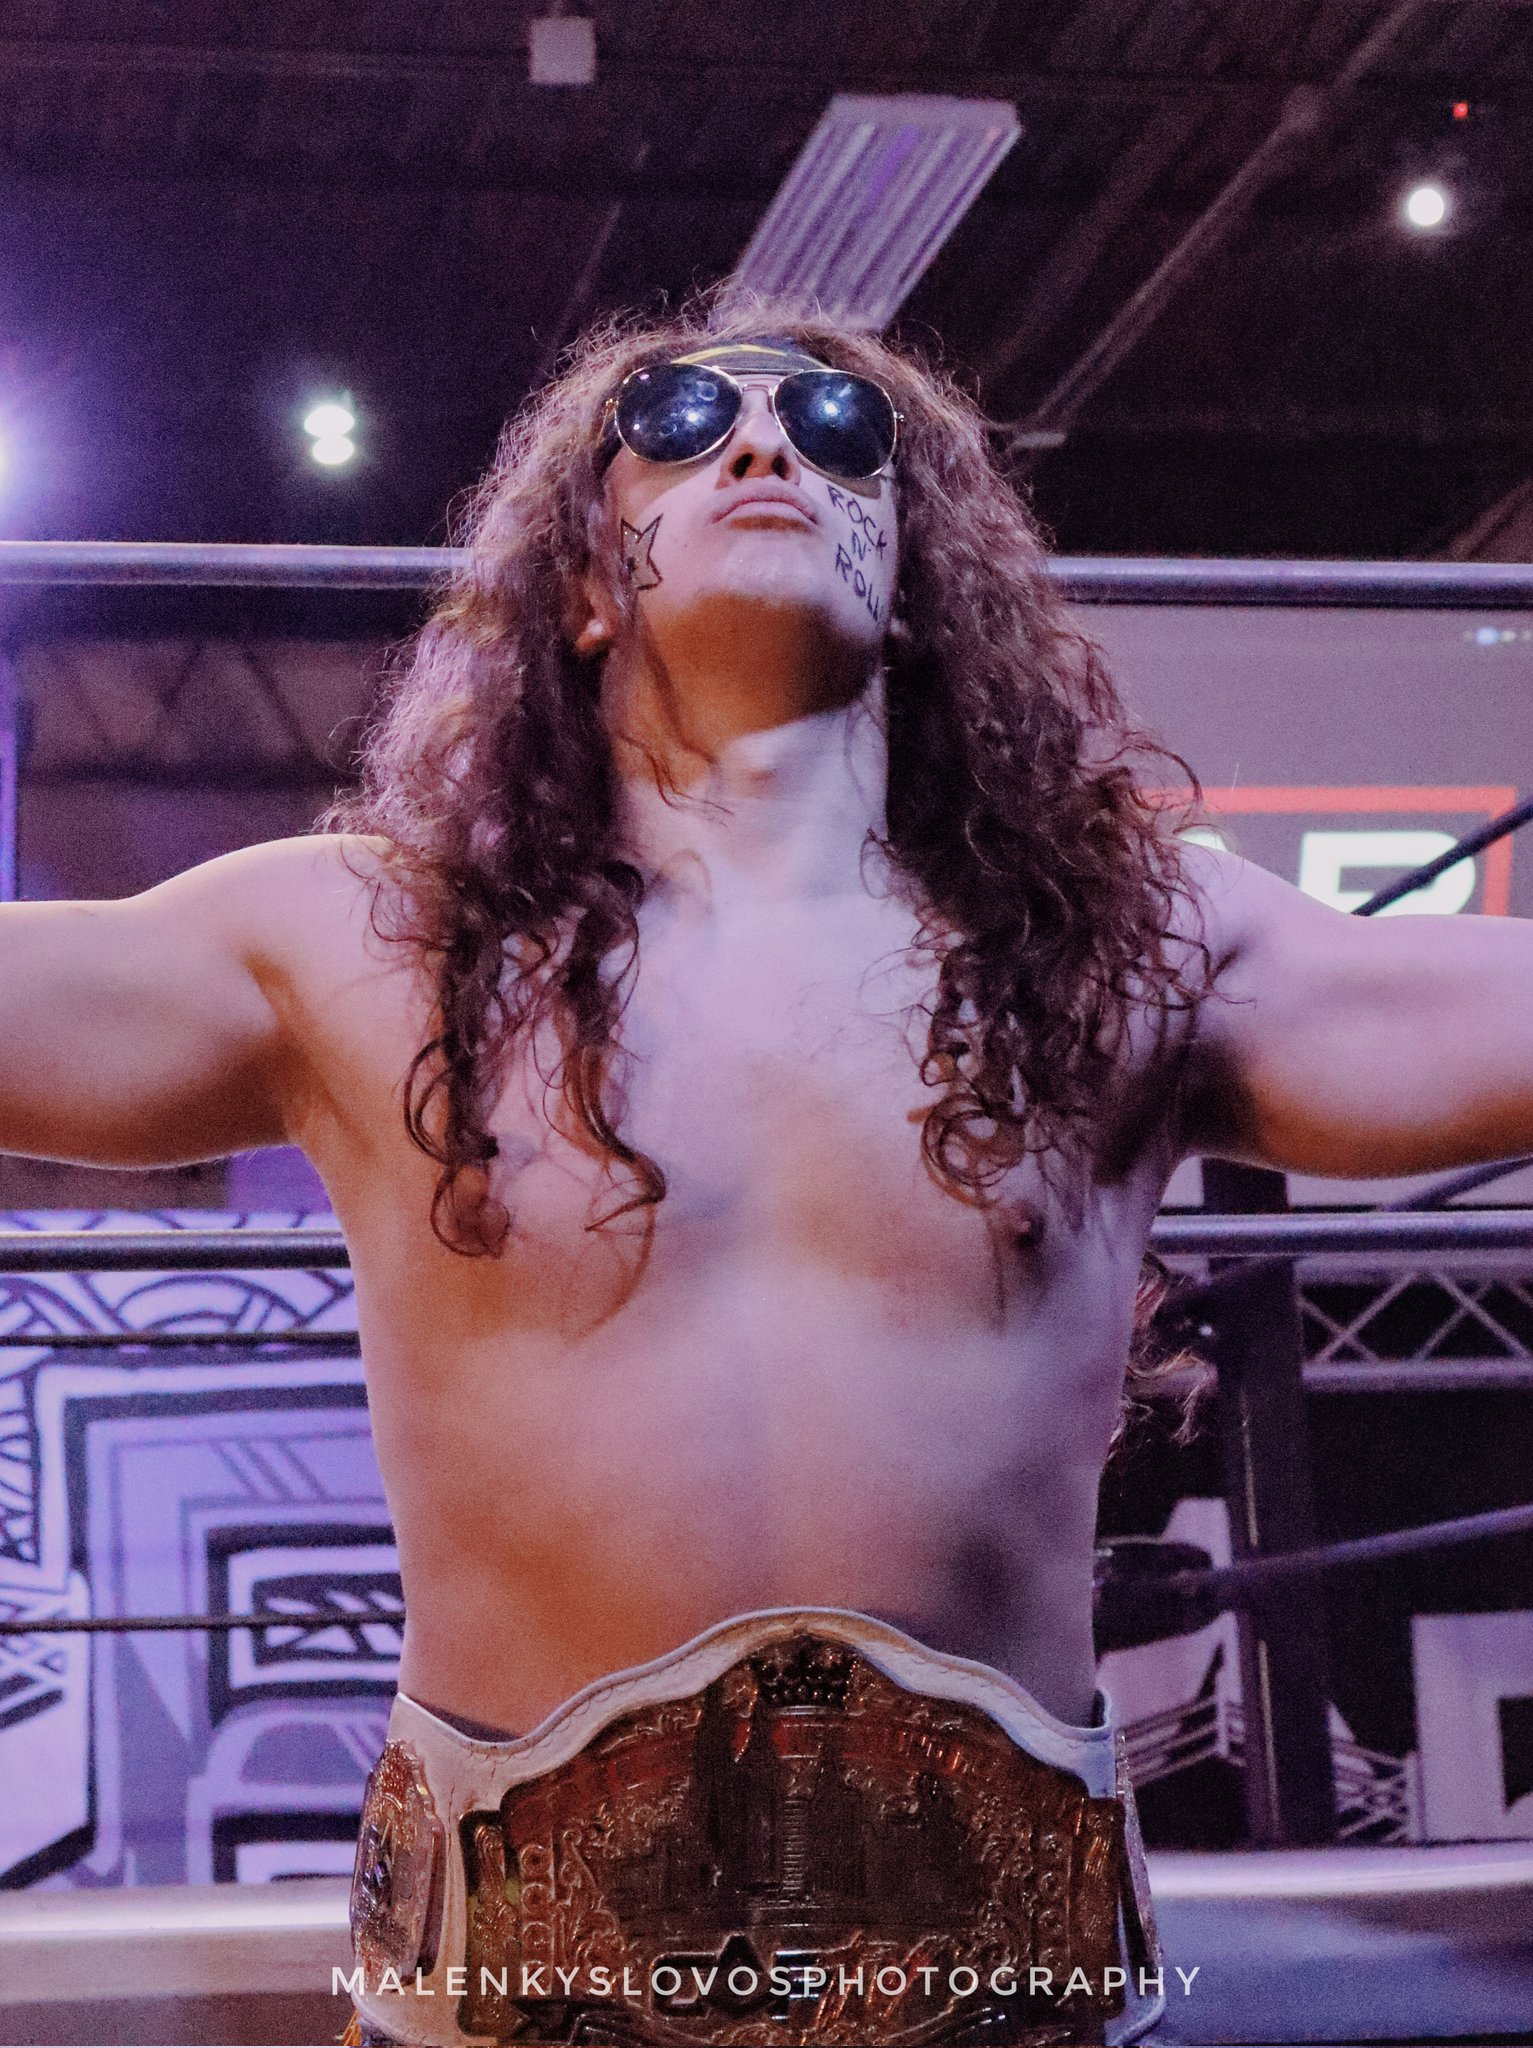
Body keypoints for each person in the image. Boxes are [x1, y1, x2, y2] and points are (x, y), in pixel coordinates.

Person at [4, 305, 1532, 2046]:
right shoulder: (359, 944)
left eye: (834, 425)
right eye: (675, 420)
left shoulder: (1127, 953)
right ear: (585, 581)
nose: (763, 444)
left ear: (915, 581)